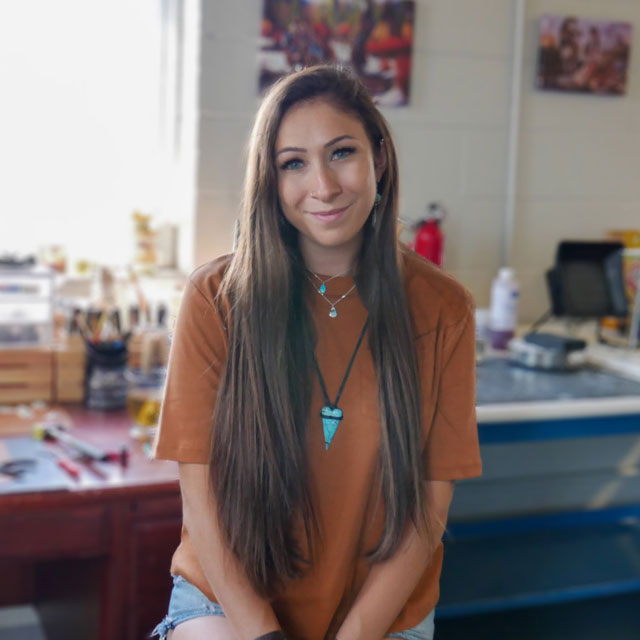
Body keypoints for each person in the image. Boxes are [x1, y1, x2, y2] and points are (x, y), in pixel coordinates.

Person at [151, 64, 481, 640]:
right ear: (270, 182)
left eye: (342, 153)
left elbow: (428, 512)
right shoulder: (216, 299)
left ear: (378, 158)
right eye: (293, 163)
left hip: (381, 613)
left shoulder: (443, 308)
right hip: (229, 601)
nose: (323, 186)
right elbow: (200, 504)